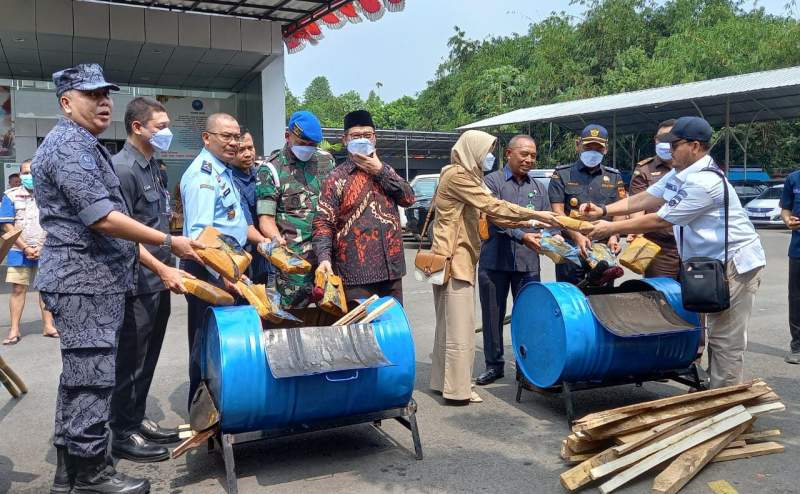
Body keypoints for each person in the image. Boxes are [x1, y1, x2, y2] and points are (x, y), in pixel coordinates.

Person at [32, 64, 199, 494]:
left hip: (94, 279)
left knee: (83, 378)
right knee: (91, 379)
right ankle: (91, 475)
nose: (104, 102)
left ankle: (70, 475)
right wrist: (168, 242)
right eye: (92, 95)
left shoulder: (84, 144)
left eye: (106, 94)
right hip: (81, 279)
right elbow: (103, 218)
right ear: (67, 102)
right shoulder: (69, 146)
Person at [580, 116, 765, 389]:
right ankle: (711, 395)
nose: (668, 150)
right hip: (712, 265)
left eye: (674, 144)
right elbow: (648, 198)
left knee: (725, 339)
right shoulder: (681, 174)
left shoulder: (705, 182)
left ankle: (723, 408)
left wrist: (609, 229)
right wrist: (604, 211)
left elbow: (661, 219)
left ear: (694, 146)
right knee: (714, 332)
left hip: (735, 266)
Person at [428, 130, 557, 404]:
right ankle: (459, 389)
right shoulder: (459, 176)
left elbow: (489, 214)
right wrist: (535, 216)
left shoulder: (458, 175)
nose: (488, 157)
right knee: (461, 329)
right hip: (456, 261)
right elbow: (494, 208)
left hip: (454, 258)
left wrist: (538, 223)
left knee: (448, 328)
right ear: (471, 150)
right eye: (485, 151)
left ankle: (443, 382)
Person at [110, 97, 186, 463]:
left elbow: (158, 225)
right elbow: (121, 234)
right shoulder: (121, 169)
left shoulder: (154, 167)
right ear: (137, 127)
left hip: (160, 280)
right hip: (136, 282)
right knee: (130, 360)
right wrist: (161, 267)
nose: (167, 132)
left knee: (149, 357)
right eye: (160, 126)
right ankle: (121, 433)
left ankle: (136, 419)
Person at [180, 112, 268, 409]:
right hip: (210, 271)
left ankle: (230, 405)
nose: (233, 143)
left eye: (236, 136)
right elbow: (199, 239)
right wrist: (223, 277)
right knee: (206, 344)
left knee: (228, 340)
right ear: (207, 138)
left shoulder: (223, 171)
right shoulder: (202, 176)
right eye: (225, 137)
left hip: (229, 267)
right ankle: (202, 410)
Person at [314, 110, 415, 304]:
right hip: (355, 276)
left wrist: (380, 171)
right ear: (345, 140)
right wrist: (324, 258)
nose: (362, 139)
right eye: (355, 136)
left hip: (391, 273)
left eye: (367, 135)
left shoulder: (387, 171)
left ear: (375, 138)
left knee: (392, 329)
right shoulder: (336, 178)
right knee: (362, 332)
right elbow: (323, 223)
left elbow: (409, 198)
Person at [476, 135, 550, 386]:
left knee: (529, 316)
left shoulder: (539, 187)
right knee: (493, 317)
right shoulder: (491, 182)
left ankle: (525, 367)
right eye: (524, 154)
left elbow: (547, 220)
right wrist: (522, 235)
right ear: (509, 153)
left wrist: (555, 240)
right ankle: (494, 365)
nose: (529, 160)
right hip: (494, 261)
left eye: (533, 156)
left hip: (528, 264)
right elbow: (494, 217)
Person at [256, 111, 334, 307]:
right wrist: (276, 239)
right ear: (287, 136)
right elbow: (266, 219)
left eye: (312, 145)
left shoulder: (326, 161)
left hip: (327, 261)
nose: (307, 149)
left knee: (331, 320)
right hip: (293, 267)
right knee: (292, 322)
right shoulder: (271, 169)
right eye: (302, 143)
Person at [547, 124, 626, 284]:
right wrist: (577, 237)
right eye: (589, 146)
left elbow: (619, 211)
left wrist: (614, 236)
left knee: (603, 301)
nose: (593, 152)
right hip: (571, 250)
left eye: (598, 148)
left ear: (606, 149)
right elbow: (558, 213)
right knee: (571, 299)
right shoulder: (562, 174)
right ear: (578, 145)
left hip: (603, 252)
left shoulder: (614, 177)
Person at [0, 158, 58, 345]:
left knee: (46, 289)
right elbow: (7, 224)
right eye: (25, 173)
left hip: (46, 249)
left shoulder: (50, 194)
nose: (29, 176)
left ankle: (48, 326)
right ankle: (14, 329)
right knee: (18, 289)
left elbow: (55, 222)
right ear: (19, 175)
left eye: (32, 172)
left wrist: (41, 247)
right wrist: (26, 247)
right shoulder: (10, 195)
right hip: (18, 249)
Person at [627, 119, 680, 278]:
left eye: (669, 138)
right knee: (660, 297)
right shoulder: (644, 169)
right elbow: (637, 205)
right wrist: (636, 230)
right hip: (658, 248)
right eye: (660, 138)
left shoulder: (692, 168)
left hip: (693, 245)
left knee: (696, 297)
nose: (663, 142)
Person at [233, 131, 272, 285]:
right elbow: (245, 226)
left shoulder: (261, 175)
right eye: (241, 150)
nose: (248, 154)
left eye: (251, 148)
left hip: (264, 258)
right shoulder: (230, 181)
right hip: (243, 257)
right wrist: (268, 243)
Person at [779, 170, 800, 364]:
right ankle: (797, 347)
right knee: (796, 300)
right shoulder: (793, 178)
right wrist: (787, 220)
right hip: (798, 250)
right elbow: (785, 209)